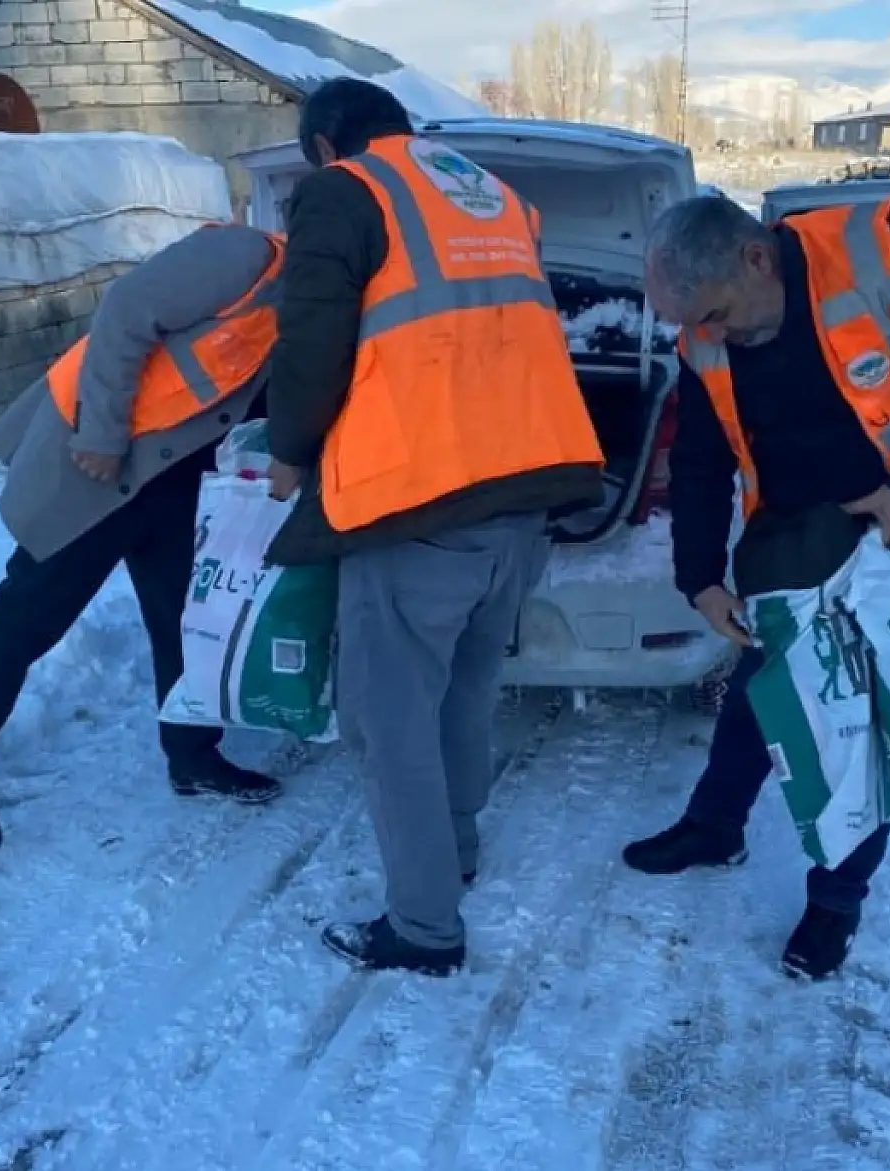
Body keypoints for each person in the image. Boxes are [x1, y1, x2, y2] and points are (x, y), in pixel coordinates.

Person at [624, 193, 890, 979]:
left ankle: (835, 904)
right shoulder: (705, 337)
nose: (708, 335)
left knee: (869, 727)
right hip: (796, 535)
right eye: (694, 323)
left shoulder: (877, 260)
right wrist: (701, 577)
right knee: (764, 683)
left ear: (754, 258)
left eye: (714, 314)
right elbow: (705, 460)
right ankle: (716, 825)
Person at [262, 78, 606, 977]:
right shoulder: (488, 194)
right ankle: (455, 847)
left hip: (421, 500)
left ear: (330, 145)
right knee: (463, 686)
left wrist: (291, 448)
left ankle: (423, 927)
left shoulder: (346, 190)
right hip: (526, 493)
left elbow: (310, 340)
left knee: (387, 718)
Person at [0, 223, 287, 850]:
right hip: (104, 463)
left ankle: (192, 755)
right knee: (27, 617)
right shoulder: (245, 256)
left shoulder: (326, 300)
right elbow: (126, 310)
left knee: (186, 620)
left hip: (182, 479)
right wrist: (101, 433)